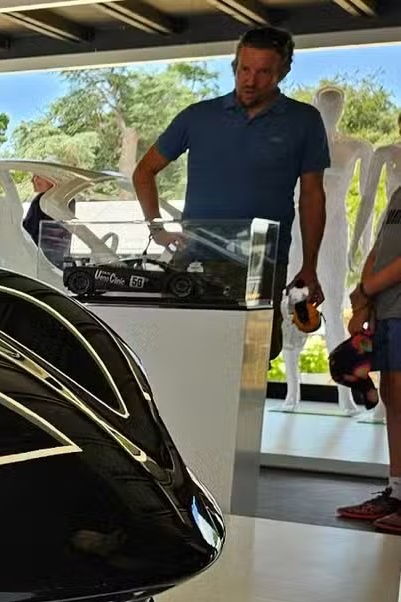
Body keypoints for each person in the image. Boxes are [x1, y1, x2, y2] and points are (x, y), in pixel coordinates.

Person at [132, 26, 330, 359]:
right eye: (244, 69)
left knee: (252, 358)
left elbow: (312, 197)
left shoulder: (304, 121)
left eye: (263, 72)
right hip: (195, 257)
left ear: (283, 71)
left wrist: (310, 266)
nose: (250, 80)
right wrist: (157, 229)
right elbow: (143, 172)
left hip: (261, 261)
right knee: (180, 352)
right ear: (234, 66)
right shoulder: (197, 116)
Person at [336, 185, 401, 531]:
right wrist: (364, 303)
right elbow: (379, 249)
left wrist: (365, 290)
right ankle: (397, 492)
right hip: (388, 310)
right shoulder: (398, 194)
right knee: (393, 397)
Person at [23, 175, 73, 265]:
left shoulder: (41, 201)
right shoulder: (68, 200)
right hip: (58, 258)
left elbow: (28, 230)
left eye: (37, 176)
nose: (32, 180)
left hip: (40, 260)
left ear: (52, 179)